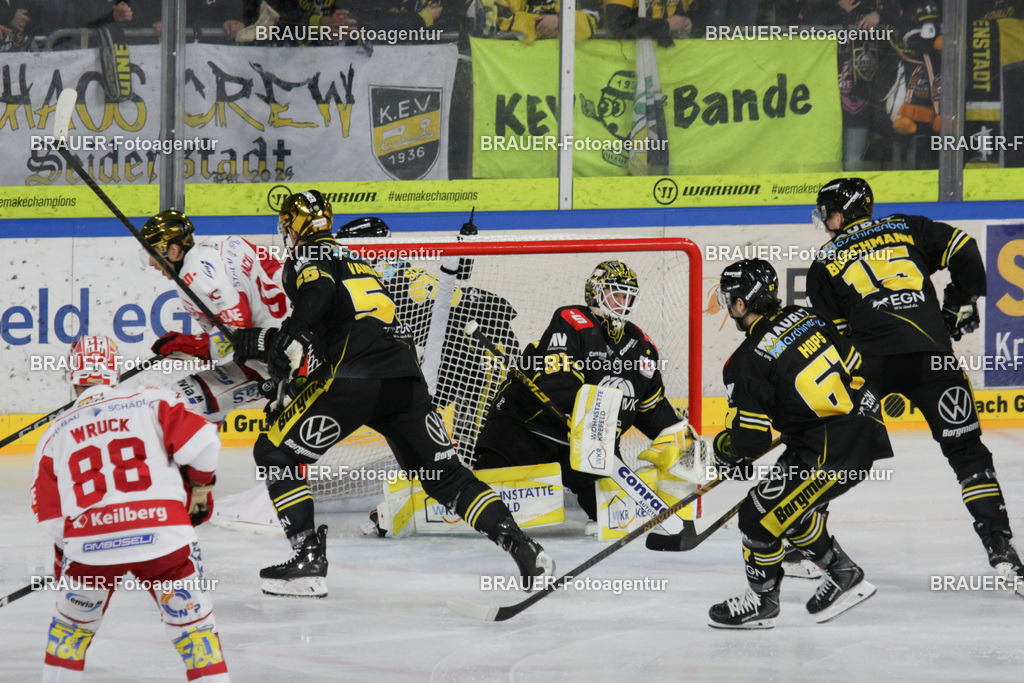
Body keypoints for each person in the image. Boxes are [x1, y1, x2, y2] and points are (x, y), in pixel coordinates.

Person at [232, 190, 554, 597]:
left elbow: (319, 294)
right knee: (447, 477)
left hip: (354, 379)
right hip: (404, 380)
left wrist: (292, 336)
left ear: (293, 227)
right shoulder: (359, 261)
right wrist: (274, 344)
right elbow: (340, 319)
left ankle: (308, 561)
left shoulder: (307, 257)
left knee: (275, 452)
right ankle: (525, 549)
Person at [806, 177, 1024, 587]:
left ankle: (803, 531)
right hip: (934, 358)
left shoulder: (824, 261)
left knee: (837, 454)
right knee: (967, 453)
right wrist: (962, 299)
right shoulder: (908, 226)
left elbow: (835, 338)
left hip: (871, 364)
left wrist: (854, 390)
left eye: (827, 212)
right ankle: (1000, 545)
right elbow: (964, 248)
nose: (825, 220)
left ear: (842, 212)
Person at [31, 335, 228, 681]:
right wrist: (200, 488)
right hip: (163, 538)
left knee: (69, 639)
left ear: (74, 377)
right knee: (197, 638)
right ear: (116, 371)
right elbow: (205, 443)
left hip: (92, 547)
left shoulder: (53, 433)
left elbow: (51, 517)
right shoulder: (152, 400)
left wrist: (67, 560)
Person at [707, 259, 892, 629]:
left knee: (757, 517)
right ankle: (843, 573)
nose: (728, 305)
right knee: (790, 511)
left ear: (741, 304)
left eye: (730, 298)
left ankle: (762, 602)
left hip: (826, 453)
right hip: (861, 432)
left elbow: (751, 438)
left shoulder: (744, 362)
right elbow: (857, 364)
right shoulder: (807, 317)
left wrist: (726, 450)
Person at [473, 260, 688, 522]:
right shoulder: (572, 320)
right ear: (595, 291)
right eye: (615, 293)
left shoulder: (642, 348)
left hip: (590, 447)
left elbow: (651, 408)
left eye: (627, 296)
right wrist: (581, 415)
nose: (622, 301)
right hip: (528, 428)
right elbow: (558, 381)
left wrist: (682, 441)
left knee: (618, 515)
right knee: (490, 508)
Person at [336, 216, 519, 457]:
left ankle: (477, 475)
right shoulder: (394, 269)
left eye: (347, 251)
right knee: (419, 415)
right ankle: (451, 470)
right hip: (462, 346)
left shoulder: (375, 281)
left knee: (470, 431)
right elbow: (453, 278)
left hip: (480, 344)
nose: (342, 259)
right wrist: (463, 244)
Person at [140, 209, 288, 423]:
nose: (152, 263)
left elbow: (238, 334)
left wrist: (191, 345)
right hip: (289, 338)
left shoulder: (195, 277)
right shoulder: (222, 243)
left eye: (153, 253)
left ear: (173, 250)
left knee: (183, 401)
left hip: (275, 363)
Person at [604, 0, 693, 46]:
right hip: (623, 58)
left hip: (665, 60)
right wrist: (667, 24)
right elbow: (619, 25)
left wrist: (684, 21)